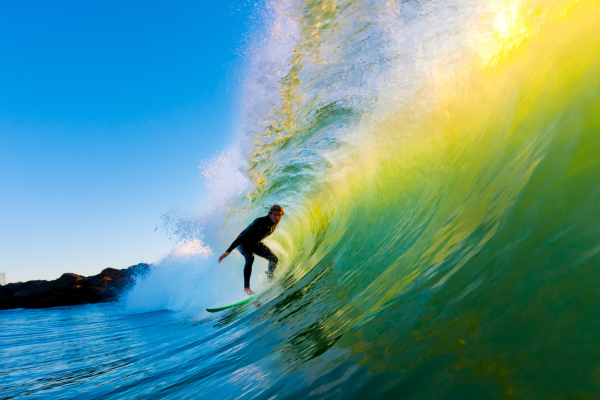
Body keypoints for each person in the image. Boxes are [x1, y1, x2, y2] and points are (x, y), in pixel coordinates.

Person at [218, 205, 284, 295]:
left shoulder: (273, 223)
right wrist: (228, 251)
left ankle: (269, 277)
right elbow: (242, 237)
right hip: (243, 243)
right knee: (250, 258)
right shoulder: (260, 223)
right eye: (275, 214)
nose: (277, 217)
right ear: (269, 214)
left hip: (255, 243)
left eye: (279, 215)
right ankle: (247, 288)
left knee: (273, 259)